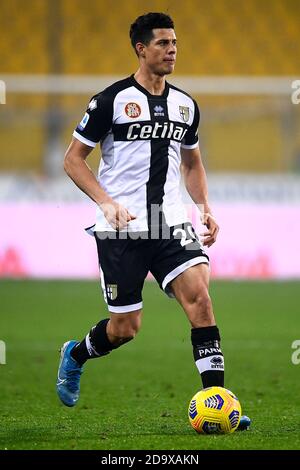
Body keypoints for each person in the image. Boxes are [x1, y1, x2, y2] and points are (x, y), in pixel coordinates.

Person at [56, 12, 250, 430]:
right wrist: (106, 202)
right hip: (120, 227)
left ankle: (217, 399)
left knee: (200, 298)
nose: (172, 49)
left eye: (175, 42)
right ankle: (75, 355)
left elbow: (192, 164)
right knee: (125, 328)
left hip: (169, 222)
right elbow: (73, 160)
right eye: (163, 43)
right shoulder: (109, 101)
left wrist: (205, 207)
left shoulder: (185, 105)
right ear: (141, 49)